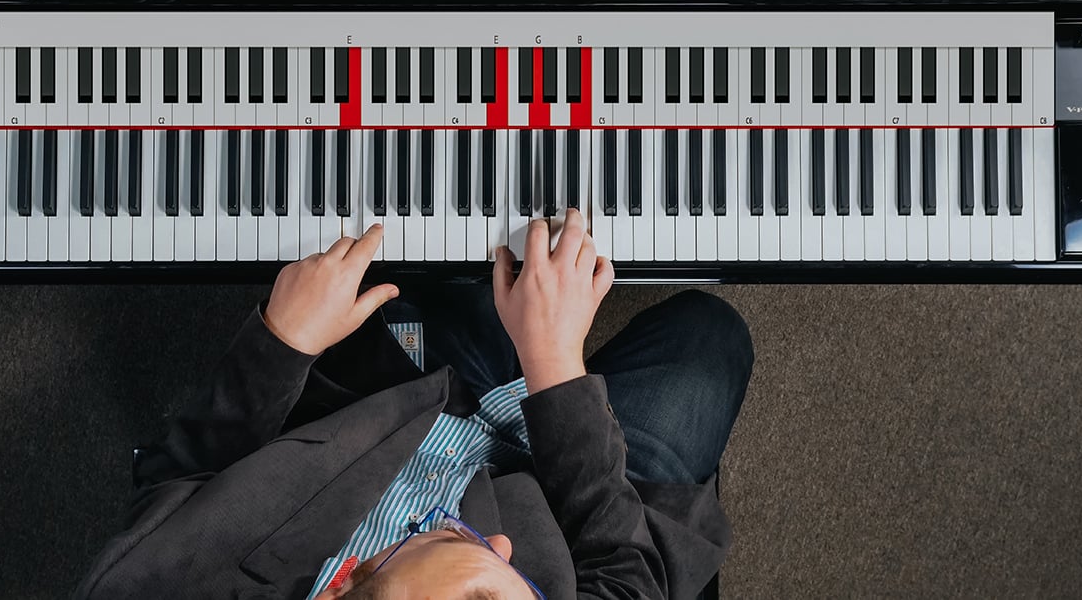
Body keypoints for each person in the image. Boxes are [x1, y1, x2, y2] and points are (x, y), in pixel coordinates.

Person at [75, 209, 754, 600]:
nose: (501, 537)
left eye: (443, 531)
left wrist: (282, 342)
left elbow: (181, 474)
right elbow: (626, 577)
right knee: (711, 340)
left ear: (346, 579)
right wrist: (554, 364)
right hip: (569, 483)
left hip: (399, 401)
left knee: (472, 255)